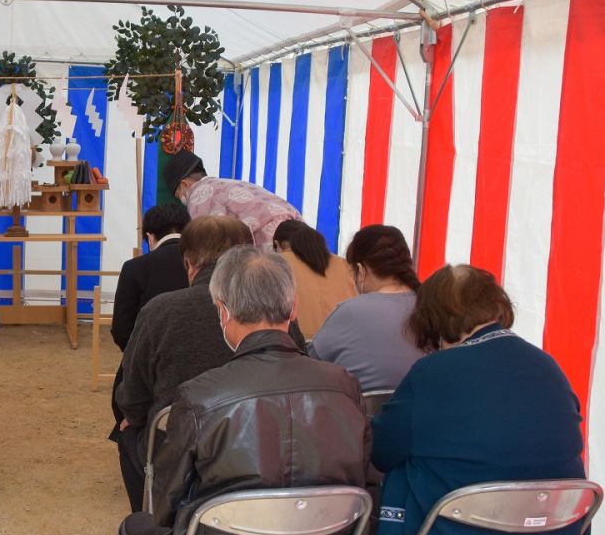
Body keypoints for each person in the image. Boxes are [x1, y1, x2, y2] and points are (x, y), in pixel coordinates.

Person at [120, 246, 370, 535]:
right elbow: (360, 477)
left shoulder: (201, 396)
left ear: (223, 311)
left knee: (137, 528)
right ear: (293, 308)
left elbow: (166, 503)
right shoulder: (345, 387)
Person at [362, 265, 589, 535]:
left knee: (397, 512)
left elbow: (382, 453)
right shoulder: (548, 365)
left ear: (432, 320)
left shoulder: (434, 373)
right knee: (465, 494)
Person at [114, 216, 253, 512]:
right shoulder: (274, 311)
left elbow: (133, 399)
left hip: (178, 450)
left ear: (189, 264)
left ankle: (151, 522)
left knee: (127, 430)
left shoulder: (162, 310)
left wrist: (133, 417)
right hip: (255, 443)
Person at [108, 203, 191, 438]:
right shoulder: (205, 267)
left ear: (150, 236)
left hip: (149, 367)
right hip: (203, 374)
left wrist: (139, 354)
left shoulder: (136, 268)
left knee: (127, 407)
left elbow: (122, 329)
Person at [310, 225, 424, 392]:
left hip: (358, 415)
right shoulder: (430, 307)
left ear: (361, 271)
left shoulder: (349, 312)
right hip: (420, 414)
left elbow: (312, 364)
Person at [164, 149, 301, 248]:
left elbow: (207, 244)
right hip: (299, 230)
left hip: (270, 239)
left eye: (178, 195)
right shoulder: (228, 183)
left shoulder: (199, 195)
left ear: (184, 184)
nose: (181, 199)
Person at [272, 219, 355, 337]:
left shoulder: (276, 262)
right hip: (342, 340)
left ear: (277, 244)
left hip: (296, 343)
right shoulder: (342, 264)